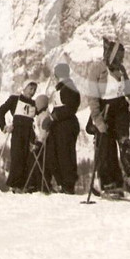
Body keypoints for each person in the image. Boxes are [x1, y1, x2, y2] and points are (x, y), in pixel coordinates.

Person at [84, 37, 130, 197]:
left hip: (120, 110)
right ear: (111, 55)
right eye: (119, 57)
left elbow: (128, 89)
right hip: (105, 110)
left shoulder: (120, 70)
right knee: (106, 147)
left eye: (122, 57)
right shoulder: (97, 68)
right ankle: (110, 182)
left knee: (124, 141)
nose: (121, 60)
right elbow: (92, 96)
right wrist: (98, 120)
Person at [0, 81, 39, 192]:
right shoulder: (14, 99)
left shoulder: (34, 104)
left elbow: (36, 119)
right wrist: (4, 127)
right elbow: (0, 111)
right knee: (17, 158)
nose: (32, 92)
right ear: (24, 87)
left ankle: (27, 186)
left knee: (29, 159)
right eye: (31, 88)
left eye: (35, 89)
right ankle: (15, 186)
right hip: (18, 132)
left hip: (29, 133)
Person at [50, 63, 82, 194]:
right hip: (60, 125)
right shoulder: (63, 88)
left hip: (66, 125)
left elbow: (70, 108)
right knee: (59, 153)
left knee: (65, 154)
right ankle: (63, 183)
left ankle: (67, 184)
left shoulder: (68, 87)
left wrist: (54, 117)